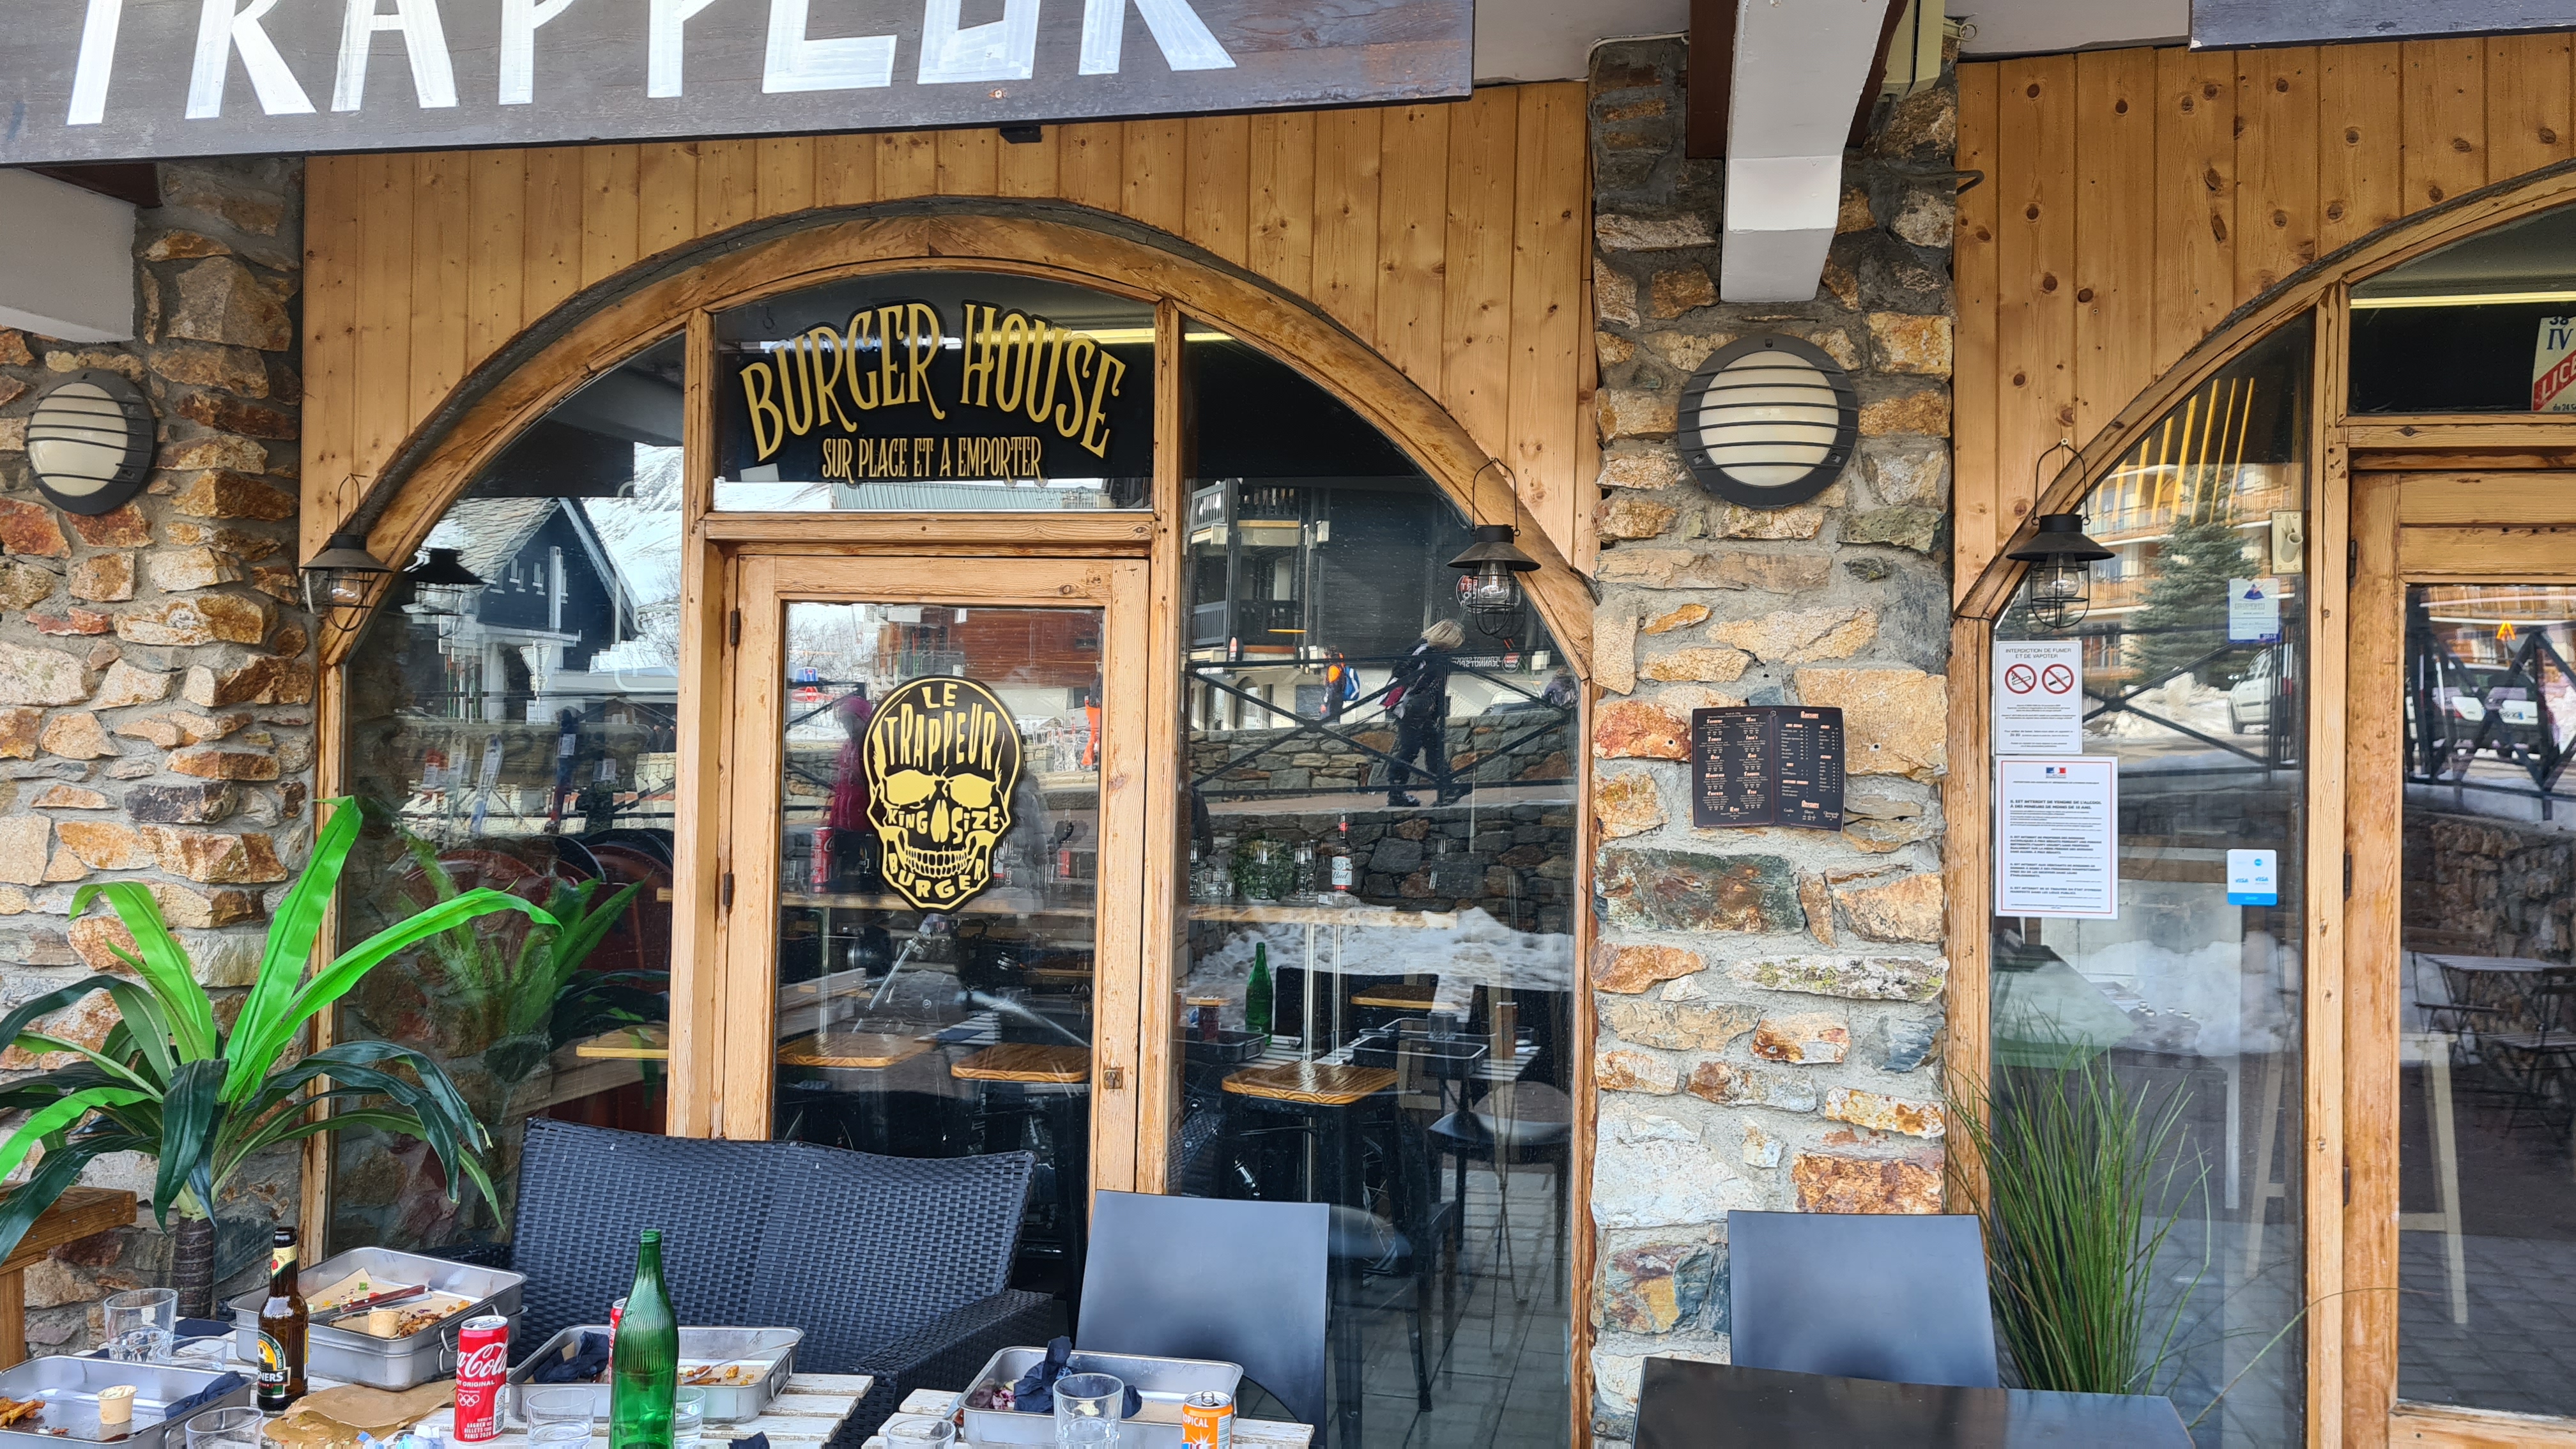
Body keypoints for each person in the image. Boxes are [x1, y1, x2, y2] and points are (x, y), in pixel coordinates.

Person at [1384, 618, 1466, 806]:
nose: (1450, 649)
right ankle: (1396, 793)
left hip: (1424, 709)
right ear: (1443, 639)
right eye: (1450, 645)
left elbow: (1440, 685)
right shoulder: (1423, 649)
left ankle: (1448, 786)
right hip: (1408, 707)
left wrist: (1437, 711)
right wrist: (1419, 680)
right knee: (1410, 748)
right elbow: (1399, 671)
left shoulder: (1440, 654)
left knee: (1433, 745)